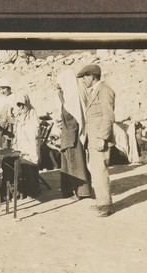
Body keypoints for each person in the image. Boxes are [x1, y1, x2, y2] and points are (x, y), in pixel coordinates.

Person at [77, 64, 116, 217]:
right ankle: (101, 202)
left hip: (100, 138)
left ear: (92, 76)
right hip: (93, 138)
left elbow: (108, 116)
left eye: (85, 77)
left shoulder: (105, 91)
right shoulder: (94, 91)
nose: (83, 80)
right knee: (96, 171)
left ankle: (106, 205)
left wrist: (102, 138)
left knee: (100, 171)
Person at [55, 69, 92, 200]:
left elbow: (72, 118)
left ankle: (80, 192)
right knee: (68, 164)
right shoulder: (70, 96)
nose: (58, 89)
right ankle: (70, 190)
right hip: (69, 135)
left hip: (73, 136)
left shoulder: (72, 98)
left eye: (60, 86)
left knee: (75, 164)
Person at [11, 93, 41, 198]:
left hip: (30, 143)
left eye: (22, 104)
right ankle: (23, 189)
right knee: (20, 163)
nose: (21, 107)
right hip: (22, 143)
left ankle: (32, 189)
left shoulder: (32, 112)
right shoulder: (20, 113)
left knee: (30, 164)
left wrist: (24, 126)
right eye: (19, 105)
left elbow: (35, 129)